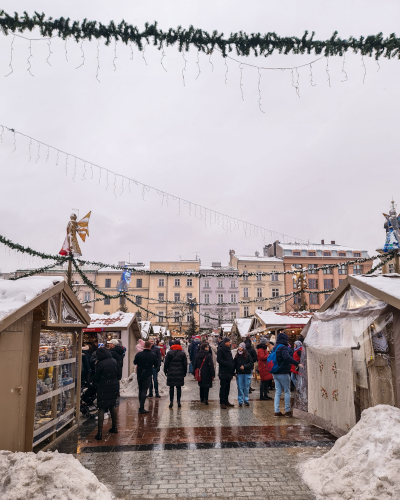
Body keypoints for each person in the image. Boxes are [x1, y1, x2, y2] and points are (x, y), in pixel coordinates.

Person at [272, 332, 303, 417]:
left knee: (277, 392)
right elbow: (287, 358)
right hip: (283, 372)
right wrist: (297, 363)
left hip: (275, 372)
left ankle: (276, 411)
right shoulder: (283, 348)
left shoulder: (275, 348)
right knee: (287, 391)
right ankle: (287, 410)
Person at [92, 346, 119, 440]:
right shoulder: (114, 361)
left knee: (101, 407)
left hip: (103, 387)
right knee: (112, 406)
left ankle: (99, 432)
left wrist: (93, 382)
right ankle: (114, 427)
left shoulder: (100, 363)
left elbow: (97, 376)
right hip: (113, 386)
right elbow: (118, 374)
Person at [134, 340, 158, 414]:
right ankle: (141, 407)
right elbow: (156, 365)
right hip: (147, 374)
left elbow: (135, 362)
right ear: (150, 346)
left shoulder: (139, 354)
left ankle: (141, 406)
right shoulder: (153, 355)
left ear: (144, 346)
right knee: (144, 390)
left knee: (140, 390)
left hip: (140, 373)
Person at [164, 339, 187, 408]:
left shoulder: (169, 353)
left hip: (171, 372)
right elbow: (185, 364)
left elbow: (166, 363)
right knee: (179, 387)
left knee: (171, 387)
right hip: (180, 372)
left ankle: (171, 402)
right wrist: (185, 372)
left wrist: (165, 371)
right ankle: (178, 401)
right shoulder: (182, 353)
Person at [234, 342, 254, 407]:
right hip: (239, 373)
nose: (240, 348)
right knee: (240, 387)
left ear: (244, 348)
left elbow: (251, 363)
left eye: (241, 347)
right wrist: (234, 372)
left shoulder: (248, 355)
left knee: (246, 387)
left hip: (247, 373)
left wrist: (244, 366)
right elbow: (234, 364)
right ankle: (240, 401)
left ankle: (246, 400)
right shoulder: (237, 356)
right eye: (239, 346)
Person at [217, 337, 235, 409]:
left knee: (228, 387)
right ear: (225, 342)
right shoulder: (221, 349)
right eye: (229, 342)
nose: (230, 343)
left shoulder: (228, 349)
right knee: (223, 387)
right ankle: (222, 402)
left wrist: (232, 367)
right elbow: (219, 360)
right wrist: (227, 364)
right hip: (223, 372)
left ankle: (226, 400)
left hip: (229, 371)